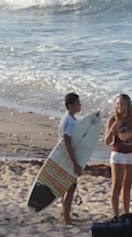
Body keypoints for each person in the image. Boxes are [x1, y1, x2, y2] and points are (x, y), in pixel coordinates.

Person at [106, 93, 132, 217]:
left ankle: (126, 213)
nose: (119, 106)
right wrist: (113, 129)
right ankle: (116, 215)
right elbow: (107, 141)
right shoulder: (113, 119)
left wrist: (130, 135)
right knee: (117, 185)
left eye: (122, 104)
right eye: (117, 104)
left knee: (127, 185)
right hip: (118, 154)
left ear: (128, 105)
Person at [58, 92, 83, 225]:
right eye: (77, 103)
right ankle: (66, 219)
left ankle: (65, 215)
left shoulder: (72, 119)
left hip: (68, 159)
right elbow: (67, 144)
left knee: (67, 188)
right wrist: (74, 164)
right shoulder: (67, 121)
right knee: (70, 188)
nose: (80, 105)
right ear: (70, 106)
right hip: (67, 159)